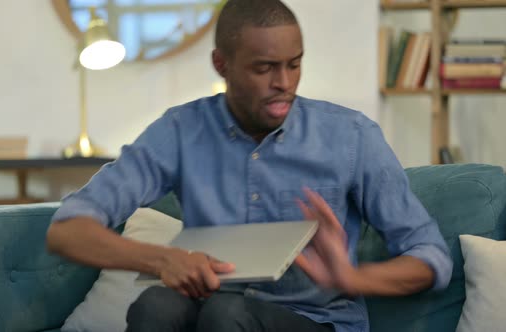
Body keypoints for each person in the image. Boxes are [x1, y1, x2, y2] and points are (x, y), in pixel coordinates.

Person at [46, 0, 453, 331]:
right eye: (265, 68)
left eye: (294, 64)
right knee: (156, 304)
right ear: (222, 65)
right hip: (213, 309)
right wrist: (159, 259)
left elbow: (430, 256)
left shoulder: (351, 136)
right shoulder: (180, 130)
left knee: (226, 315)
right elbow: (70, 229)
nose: (285, 83)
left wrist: (353, 279)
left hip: (316, 321)